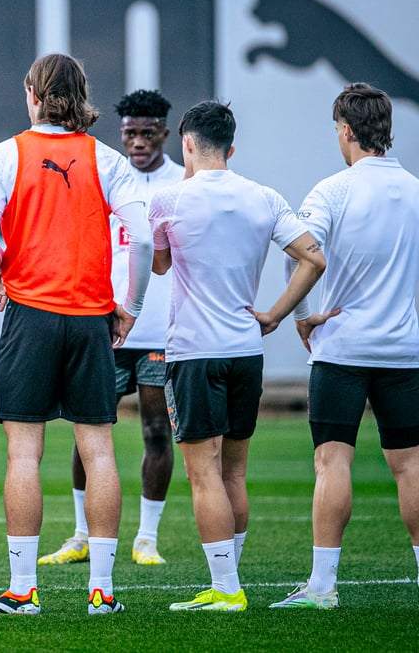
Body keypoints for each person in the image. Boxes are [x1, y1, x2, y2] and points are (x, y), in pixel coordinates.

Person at [0, 53, 152, 615]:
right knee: (98, 452)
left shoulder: (4, 155)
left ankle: (22, 591)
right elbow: (142, 241)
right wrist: (131, 307)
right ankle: (103, 591)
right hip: (90, 316)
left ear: (32, 94)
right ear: (81, 96)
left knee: (24, 455)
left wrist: (7, 264)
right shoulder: (107, 158)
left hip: (30, 313)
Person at [149, 100, 324, 612]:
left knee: (204, 474)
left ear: (186, 143)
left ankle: (226, 589)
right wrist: (274, 315)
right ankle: (230, 580)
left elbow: (159, 267)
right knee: (234, 474)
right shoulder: (264, 197)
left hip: (194, 353)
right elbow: (313, 257)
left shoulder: (168, 199)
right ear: (231, 147)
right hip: (247, 349)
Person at [270, 84, 419, 609]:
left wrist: (297, 314)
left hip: (341, 351)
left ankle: (323, 587)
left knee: (333, 462)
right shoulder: (416, 189)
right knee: (411, 466)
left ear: (348, 131)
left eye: (337, 128)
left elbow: (302, 253)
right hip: (404, 352)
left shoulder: (332, 190)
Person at [39, 89, 181, 567]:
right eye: (130, 133)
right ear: (120, 134)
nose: (138, 142)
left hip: (159, 331)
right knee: (89, 429)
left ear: (165, 133)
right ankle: (81, 534)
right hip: (103, 324)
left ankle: (147, 538)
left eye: (147, 133)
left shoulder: (181, 184)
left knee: (157, 429)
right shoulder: (102, 174)